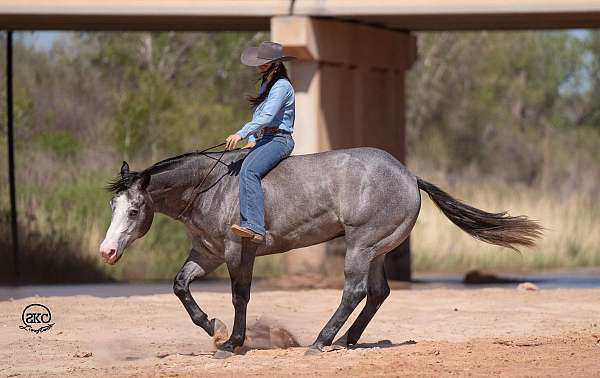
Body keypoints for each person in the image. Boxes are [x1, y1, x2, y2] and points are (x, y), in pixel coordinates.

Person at [225, 41, 296, 243]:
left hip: (279, 139)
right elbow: (260, 115)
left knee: (249, 170)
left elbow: (266, 117)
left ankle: (255, 226)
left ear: (276, 63)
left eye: (264, 62)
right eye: (259, 62)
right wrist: (253, 138)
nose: (259, 66)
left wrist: (240, 133)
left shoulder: (282, 86)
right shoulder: (267, 83)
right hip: (266, 138)